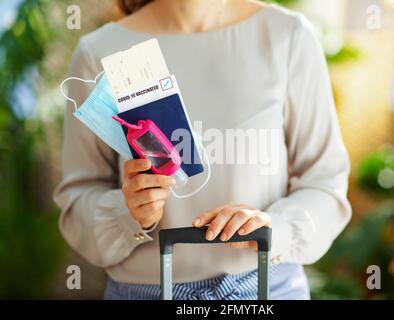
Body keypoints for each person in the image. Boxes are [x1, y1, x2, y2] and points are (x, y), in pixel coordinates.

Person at [54, 0, 352, 300]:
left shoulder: (288, 36)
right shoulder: (98, 51)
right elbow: (77, 200)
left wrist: (277, 228)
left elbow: (325, 181)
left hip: (269, 291)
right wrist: (127, 212)